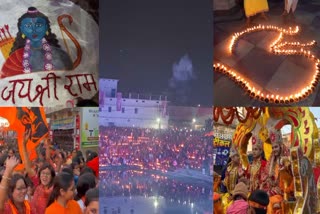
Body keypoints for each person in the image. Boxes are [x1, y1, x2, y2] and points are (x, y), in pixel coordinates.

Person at [1, 6, 73, 78]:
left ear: (46, 27)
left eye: (38, 25)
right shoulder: (15, 58)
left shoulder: (61, 55)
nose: (34, 30)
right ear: (22, 29)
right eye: (28, 26)